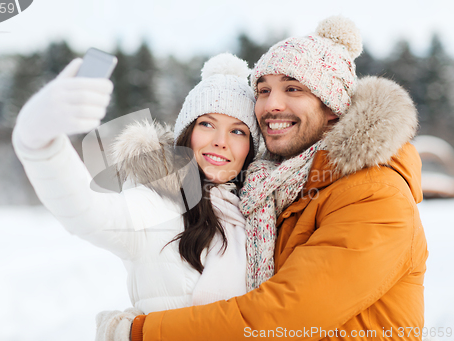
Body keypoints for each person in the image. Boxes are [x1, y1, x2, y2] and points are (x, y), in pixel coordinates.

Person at [127, 16, 428, 341]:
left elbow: (283, 315)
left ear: (331, 106)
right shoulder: (278, 188)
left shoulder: (375, 194)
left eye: (293, 88)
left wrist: (142, 332)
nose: (271, 105)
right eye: (263, 90)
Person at [11, 53, 261, 339]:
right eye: (207, 124)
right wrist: (38, 142)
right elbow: (86, 210)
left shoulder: (260, 217)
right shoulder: (155, 204)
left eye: (238, 131)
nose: (221, 141)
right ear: (186, 132)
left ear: (251, 149)